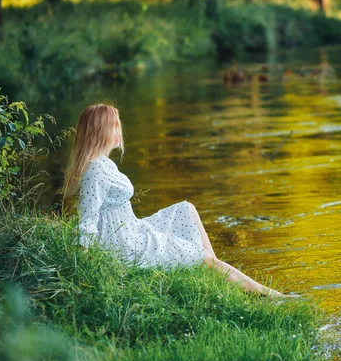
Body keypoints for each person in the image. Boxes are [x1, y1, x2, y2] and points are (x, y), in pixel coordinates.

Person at [63, 103, 293, 298]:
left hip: (133, 230)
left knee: (186, 209)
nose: (120, 130)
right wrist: (86, 263)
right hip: (126, 246)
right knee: (201, 255)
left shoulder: (105, 163)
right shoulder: (96, 170)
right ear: (102, 132)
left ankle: (215, 268)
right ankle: (270, 296)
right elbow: (88, 219)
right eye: (115, 125)